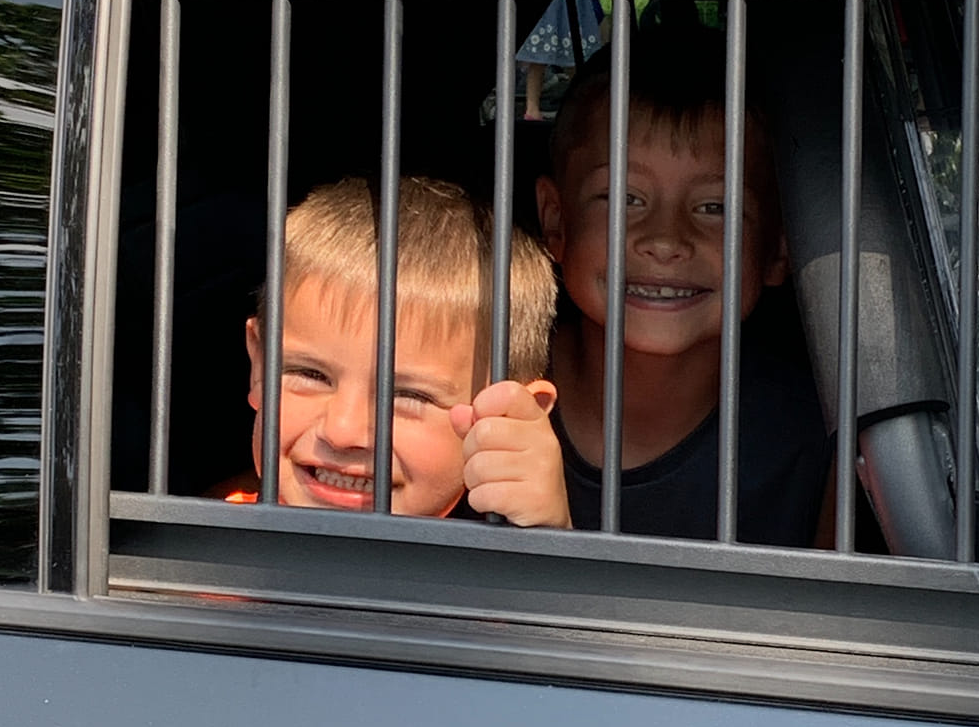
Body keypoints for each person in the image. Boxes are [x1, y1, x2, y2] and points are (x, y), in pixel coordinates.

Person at [536, 29, 830, 545]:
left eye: (715, 207)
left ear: (779, 248)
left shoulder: (816, 441)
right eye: (624, 198)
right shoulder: (488, 384)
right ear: (556, 222)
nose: (666, 239)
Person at [236, 176, 569, 525]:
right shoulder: (204, 555)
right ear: (259, 365)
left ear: (511, 418)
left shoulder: (500, 574)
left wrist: (545, 541)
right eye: (310, 375)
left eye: (409, 395)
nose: (343, 431)